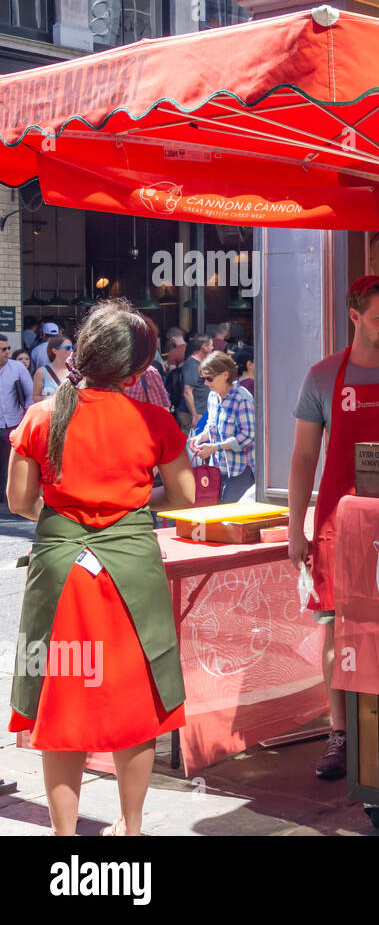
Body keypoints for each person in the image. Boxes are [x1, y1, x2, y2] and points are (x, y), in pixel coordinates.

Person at [6, 299, 195, 836]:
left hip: (60, 575)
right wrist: (130, 503)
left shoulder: (42, 416)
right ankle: (131, 829)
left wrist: (71, 514)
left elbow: (20, 501)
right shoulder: (153, 420)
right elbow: (183, 498)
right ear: (138, 372)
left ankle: (65, 838)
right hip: (131, 575)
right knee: (136, 704)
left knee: (61, 703)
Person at [289, 276, 379, 780]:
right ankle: (339, 731)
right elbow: (303, 457)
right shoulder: (321, 376)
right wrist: (298, 527)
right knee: (337, 627)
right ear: (355, 317)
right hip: (339, 520)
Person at [189, 351, 256, 503]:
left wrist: (214, 447)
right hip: (218, 468)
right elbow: (211, 425)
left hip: (240, 470)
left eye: (209, 378)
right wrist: (201, 437)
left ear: (225, 375)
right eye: (203, 378)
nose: (206, 383)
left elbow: (248, 437)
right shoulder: (212, 396)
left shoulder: (242, 398)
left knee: (228, 515)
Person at [0, 336, 33, 497]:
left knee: (10, 463)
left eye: (8, 349)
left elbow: (30, 394)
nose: (7, 352)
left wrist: (26, 417)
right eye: (3, 349)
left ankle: (8, 496)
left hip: (14, 423)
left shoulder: (18, 368)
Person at [176, 334, 213, 433]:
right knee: (193, 444)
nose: (212, 348)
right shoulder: (192, 365)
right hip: (194, 413)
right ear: (204, 346)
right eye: (211, 345)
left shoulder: (202, 363)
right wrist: (194, 415)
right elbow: (187, 392)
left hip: (202, 411)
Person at [32, 334, 73, 404]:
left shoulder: (75, 371)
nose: (71, 350)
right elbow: (35, 397)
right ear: (55, 350)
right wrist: (52, 398)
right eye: (67, 348)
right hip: (50, 413)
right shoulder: (41, 372)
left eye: (72, 347)